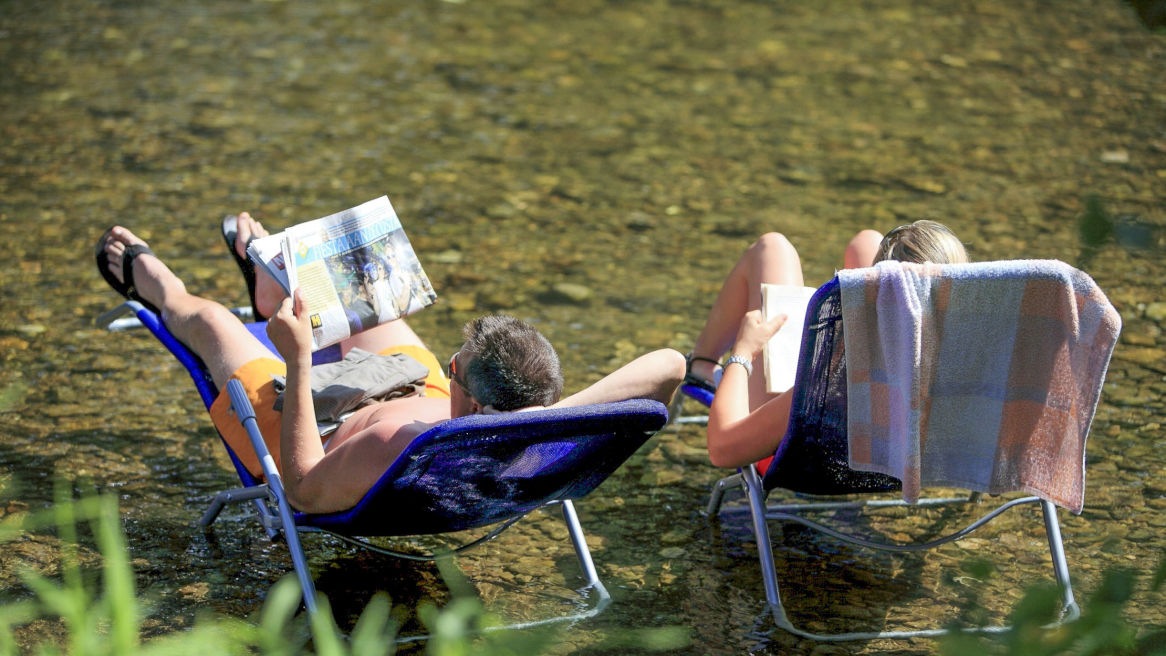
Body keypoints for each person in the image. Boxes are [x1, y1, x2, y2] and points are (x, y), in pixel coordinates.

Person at [96, 218, 686, 515]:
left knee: (214, 326)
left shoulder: (386, 448)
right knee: (358, 288)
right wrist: (546, 414)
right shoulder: (539, 429)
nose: (452, 364)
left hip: (312, 418)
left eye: (456, 364)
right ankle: (274, 282)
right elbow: (670, 364)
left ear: (474, 399)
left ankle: (162, 286)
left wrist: (300, 359)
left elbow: (301, 489)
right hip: (417, 395)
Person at [688, 220, 969, 469]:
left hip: (806, 452)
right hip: (912, 448)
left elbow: (723, 450)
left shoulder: (838, 385)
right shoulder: (982, 360)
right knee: (867, 241)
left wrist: (743, 353)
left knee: (773, 248)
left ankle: (702, 366)